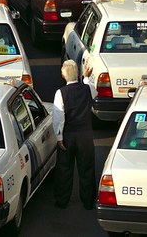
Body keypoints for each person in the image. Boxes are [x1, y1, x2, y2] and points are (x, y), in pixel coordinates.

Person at [53, 60, 96, 210]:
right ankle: (88, 201)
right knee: (87, 169)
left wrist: (59, 138)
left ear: (62, 75)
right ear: (77, 73)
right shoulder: (87, 89)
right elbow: (93, 90)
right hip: (85, 135)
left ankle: (62, 200)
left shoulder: (60, 93)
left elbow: (59, 118)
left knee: (64, 169)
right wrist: (85, 77)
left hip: (68, 136)